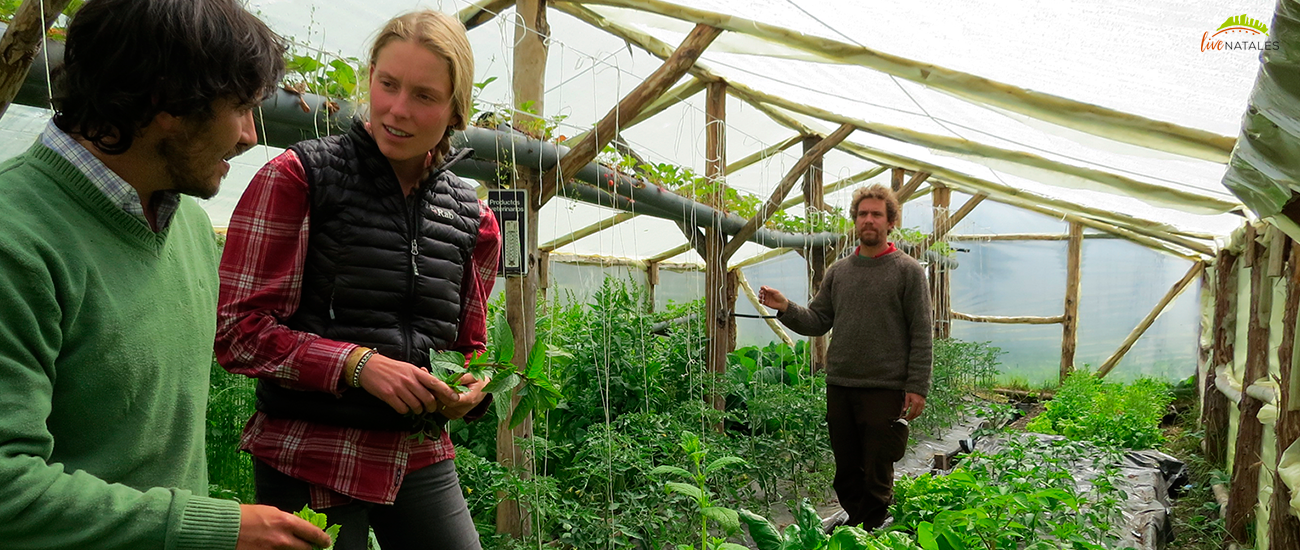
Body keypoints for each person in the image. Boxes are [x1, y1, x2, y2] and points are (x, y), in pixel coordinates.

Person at [0, 0, 335, 549]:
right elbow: (7, 490)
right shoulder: (16, 235)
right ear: (166, 101)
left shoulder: (190, 231)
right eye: (243, 107)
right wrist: (216, 528)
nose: (253, 135)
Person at [215, 9, 500, 550]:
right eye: (388, 84)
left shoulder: (474, 219)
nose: (397, 109)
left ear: (456, 109)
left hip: (414, 451)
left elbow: (469, 347)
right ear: (369, 75)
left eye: (424, 95)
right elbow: (237, 331)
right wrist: (356, 365)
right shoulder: (299, 177)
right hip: (309, 450)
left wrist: (471, 389)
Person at [759, 184, 933, 530]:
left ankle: (872, 527)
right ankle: (857, 525)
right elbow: (818, 320)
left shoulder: (907, 271)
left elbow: (921, 333)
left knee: (878, 464)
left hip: (884, 387)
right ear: (855, 220)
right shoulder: (839, 272)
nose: (869, 220)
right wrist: (786, 308)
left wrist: (917, 387)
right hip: (841, 384)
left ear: (890, 222)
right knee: (846, 467)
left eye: (876, 214)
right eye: (863, 214)